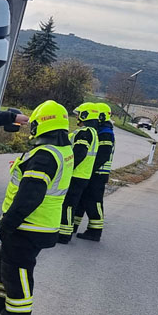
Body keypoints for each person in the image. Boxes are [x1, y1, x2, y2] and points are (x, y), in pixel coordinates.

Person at [0, 100, 73, 315]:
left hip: (30, 224)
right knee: (4, 261)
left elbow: (30, 195)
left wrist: (9, 222)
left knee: (16, 268)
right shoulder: (61, 151)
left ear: (42, 125)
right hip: (37, 223)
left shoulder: (44, 156)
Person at [58, 102, 99, 244]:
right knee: (71, 204)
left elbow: (79, 153)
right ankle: (66, 231)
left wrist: (68, 167)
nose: (77, 117)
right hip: (83, 176)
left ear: (85, 115)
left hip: (76, 175)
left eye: (78, 114)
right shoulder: (93, 132)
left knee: (68, 204)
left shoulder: (85, 132)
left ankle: (63, 234)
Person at [75, 102, 115, 241]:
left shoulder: (106, 133)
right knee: (82, 199)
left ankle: (94, 231)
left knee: (94, 201)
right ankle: (72, 225)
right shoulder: (100, 130)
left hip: (98, 174)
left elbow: (103, 155)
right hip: (93, 173)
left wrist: (90, 169)